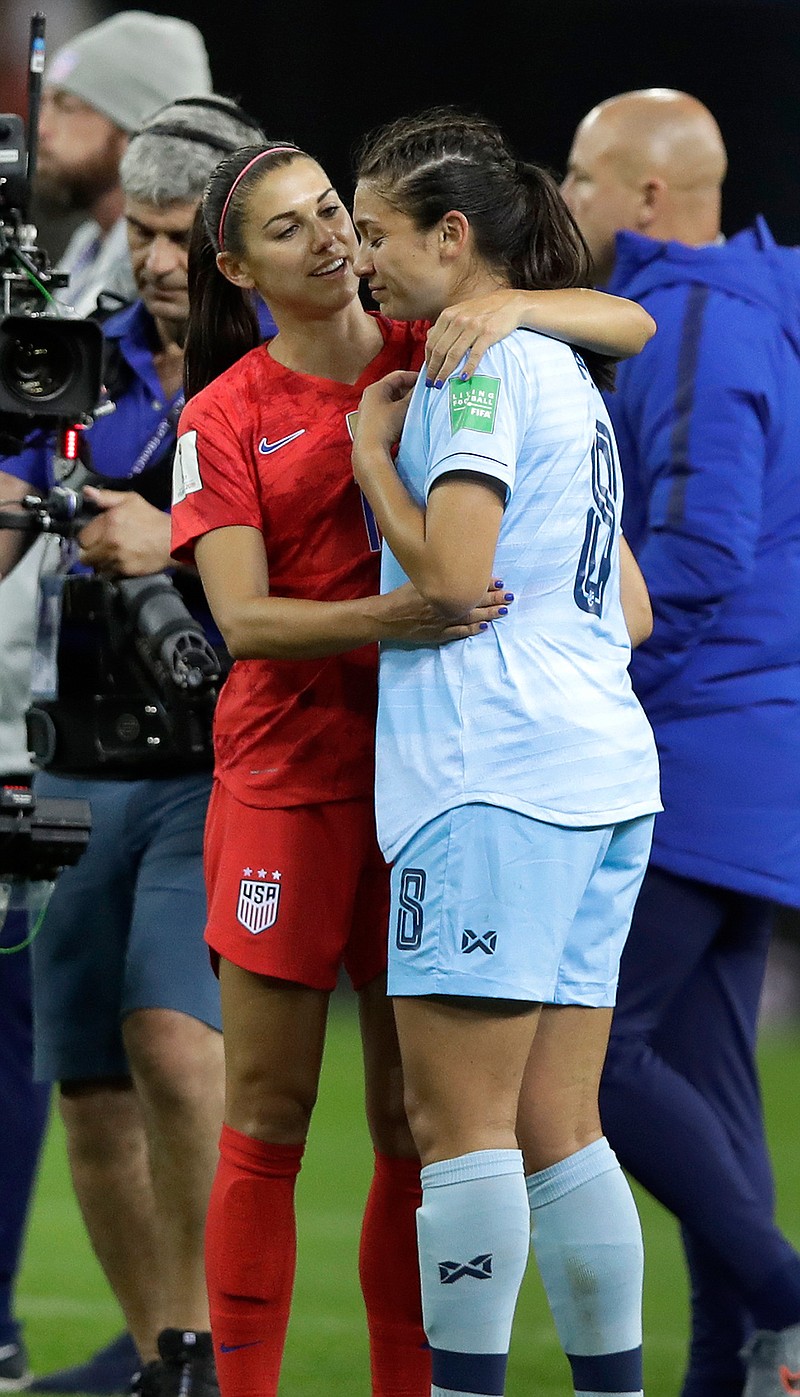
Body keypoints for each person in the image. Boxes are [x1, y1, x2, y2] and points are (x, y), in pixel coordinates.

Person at [169, 135, 655, 1397]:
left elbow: (618, 317)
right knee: (278, 1118)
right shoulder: (224, 414)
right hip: (305, 780)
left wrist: (502, 303)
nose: (336, 241)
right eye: (295, 228)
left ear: (436, 237)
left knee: (430, 1127)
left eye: (344, 213)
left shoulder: (444, 350)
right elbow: (244, 623)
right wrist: (395, 619)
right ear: (240, 268)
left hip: (459, 781)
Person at [348, 107, 661, 1397]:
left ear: (451, 234)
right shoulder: (559, 375)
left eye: (373, 234)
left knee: (458, 1130)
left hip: (491, 779)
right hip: (599, 775)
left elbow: (457, 582)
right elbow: (628, 608)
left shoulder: (473, 369)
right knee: (557, 1126)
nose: (357, 257)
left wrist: (371, 457)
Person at [0, 97, 269, 1397]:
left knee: (175, 1043)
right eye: (146, 233)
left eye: (181, 235)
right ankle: (168, 1355)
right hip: (78, 759)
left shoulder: (279, 365)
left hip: (218, 760)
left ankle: (218, 1343)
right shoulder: (76, 354)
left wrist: (173, 537)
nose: (156, 260)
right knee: (91, 1093)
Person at [560, 88, 800, 1397]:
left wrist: (576, 674)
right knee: (717, 1109)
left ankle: (786, 1295)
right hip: (747, 754)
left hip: (693, 752)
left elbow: (699, 555)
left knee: (575, 1057)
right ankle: (738, 1375)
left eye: (587, 178)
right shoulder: (751, 310)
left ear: (651, 198)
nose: (570, 197)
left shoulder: (696, 319)